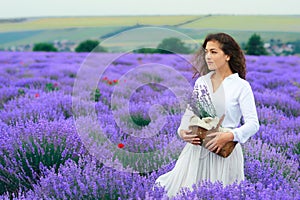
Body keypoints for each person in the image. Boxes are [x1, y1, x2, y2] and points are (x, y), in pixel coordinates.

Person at [155, 32, 260, 197]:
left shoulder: (241, 86)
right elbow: (189, 116)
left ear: (227, 56)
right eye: (206, 52)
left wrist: (230, 135)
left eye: (213, 52)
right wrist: (183, 133)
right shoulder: (201, 82)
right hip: (197, 151)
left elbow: (253, 124)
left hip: (224, 152)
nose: (208, 56)